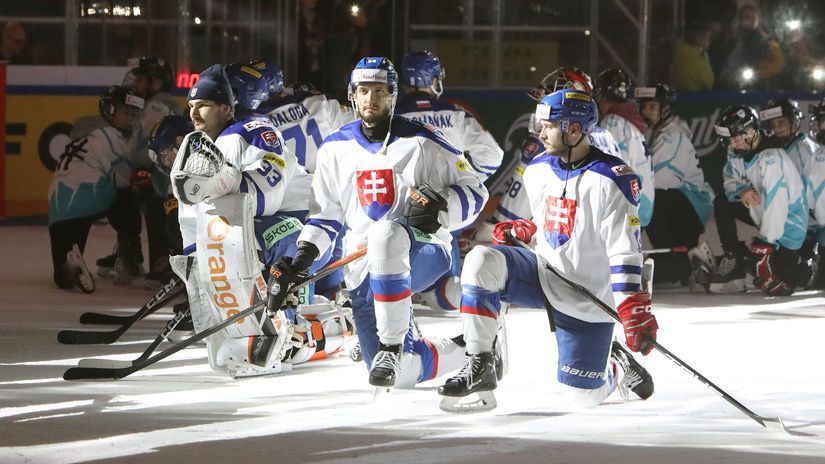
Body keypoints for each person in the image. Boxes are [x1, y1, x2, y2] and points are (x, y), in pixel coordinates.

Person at [266, 56, 486, 390]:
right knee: (399, 376)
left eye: (380, 91)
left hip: (423, 251)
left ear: (394, 96)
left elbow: (475, 189)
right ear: (352, 95)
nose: (372, 98)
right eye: (364, 90)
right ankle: (480, 347)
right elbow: (325, 217)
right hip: (362, 266)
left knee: (386, 233)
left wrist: (442, 208)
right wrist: (301, 263)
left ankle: (392, 345)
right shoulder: (334, 148)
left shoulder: (423, 141)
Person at [438, 89, 656, 411]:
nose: (540, 133)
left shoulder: (613, 179)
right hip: (543, 272)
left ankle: (615, 366)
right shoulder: (537, 168)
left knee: (583, 396)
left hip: (587, 296)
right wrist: (526, 231)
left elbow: (624, 252)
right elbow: (551, 224)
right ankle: (481, 362)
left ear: (575, 129)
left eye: (549, 126)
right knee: (482, 260)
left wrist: (631, 305)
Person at [150, 113, 353, 365]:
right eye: (163, 159)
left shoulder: (238, 140)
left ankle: (296, 327)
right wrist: (205, 305)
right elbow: (196, 246)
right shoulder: (185, 182)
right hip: (293, 235)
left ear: (181, 141)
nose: (167, 163)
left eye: (167, 154)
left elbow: (267, 196)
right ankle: (279, 321)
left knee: (262, 239)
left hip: (316, 230)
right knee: (233, 244)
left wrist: (231, 182)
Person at [167, 64, 319, 378]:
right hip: (257, 225)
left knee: (268, 236)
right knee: (225, 246)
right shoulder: (197, 147)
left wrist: (225, 181)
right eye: (191, 107)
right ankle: (259, 325)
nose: (194, 114)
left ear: (226, 108)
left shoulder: (254, 130)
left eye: (203, 106)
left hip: (308, 226)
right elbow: (191, 214)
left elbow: (269, 195)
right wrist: (198, 263)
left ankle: (289, 328)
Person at [396, 50, 504, 312]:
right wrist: (467, 181)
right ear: (433, 80)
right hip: (444, 216)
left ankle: (403, 289)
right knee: (451, 295)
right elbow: (492, 156)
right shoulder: (455, 113)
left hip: (400, 211)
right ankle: (432, 290)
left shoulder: (391, 115)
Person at [253, 59, 355, 298]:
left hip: (285, 200)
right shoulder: (317, 103)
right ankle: (330, 297)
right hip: (325, 195)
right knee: (327, 275)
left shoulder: (255, 120)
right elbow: (356, 124)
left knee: (292, 271)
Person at [47, 86, 145, 293]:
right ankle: (129, 258)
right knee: (128, 194)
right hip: (87, 198)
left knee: (62, 276)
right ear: (110, 111)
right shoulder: (111, 136)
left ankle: (73, 263)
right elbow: (125, 180)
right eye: (127, 113)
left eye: (135, 114)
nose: (131, 119)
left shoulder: (88, 133)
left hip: (58, 207)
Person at [97, 57, 182, 285]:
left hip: (162, 180)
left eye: (143, 79)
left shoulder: (155, 107)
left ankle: (159, 261)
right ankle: (140, 256)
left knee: (146, 205)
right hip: (165, 178)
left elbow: (153, 146)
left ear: (155, 82)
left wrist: (133, 161)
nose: (136, 83)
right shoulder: (161, 104)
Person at [709, 105, 807, 295]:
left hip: (788, 228)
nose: (734, 143)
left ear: (752, 130)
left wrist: (766, 244)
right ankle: (734, 257)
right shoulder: (737, 151)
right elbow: (730, 180)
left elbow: (777, 203)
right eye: (731, 139)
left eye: (737, 137)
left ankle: (801, 263)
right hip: (762, 213)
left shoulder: (772, 157)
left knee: (783, 284)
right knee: (722, 203)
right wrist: (741, 191)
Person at [635, 84, 714, 287]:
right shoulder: (656, 131)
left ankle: (680, 261)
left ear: (666, 108)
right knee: (650, 198)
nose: (646, 112)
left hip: (692, 205)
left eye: (653, 106)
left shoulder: (671, 136)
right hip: (684, 203)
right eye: (644, 106)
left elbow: (663, 180)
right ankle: (683, 258)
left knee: (651, 199)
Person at [594, 68, 654, 228]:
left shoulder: (613, 122)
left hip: (631, 203)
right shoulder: (627, 120)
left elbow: (618, 170)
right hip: (641, 200)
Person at [669, 21, 715, 91]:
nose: (710, 41)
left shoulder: (677, 54)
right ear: (699, 39)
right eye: (708, 37)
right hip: (694, 99)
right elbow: (709, 83)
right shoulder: (698, 60)